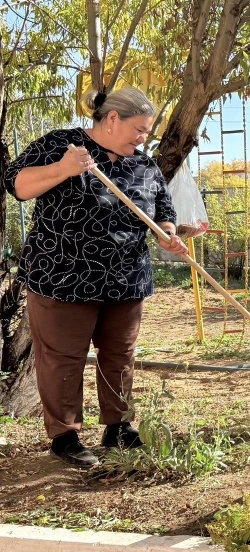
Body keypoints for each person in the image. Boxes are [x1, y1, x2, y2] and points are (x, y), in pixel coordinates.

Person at [2, 86, 188, 468]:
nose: (143, 139)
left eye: (147, 132)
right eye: (139, 130)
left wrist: (168, 234)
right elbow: (16, 184)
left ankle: (118, 427)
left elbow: (163, 210)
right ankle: (65, 437)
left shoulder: (144, 165)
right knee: (63, 359)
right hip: (62, 278)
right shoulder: (62, 145)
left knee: (120, 354)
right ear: (113, 119)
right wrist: (64, 169)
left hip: (126, 279)